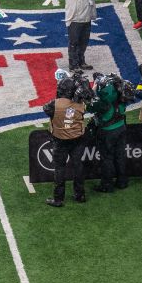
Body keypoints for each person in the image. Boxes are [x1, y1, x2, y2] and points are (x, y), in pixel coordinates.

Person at [41, 71, 88, 207]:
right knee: (78, 166)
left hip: (60, 140)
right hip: (77, 139)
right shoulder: (81, 104)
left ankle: (58, 199)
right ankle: (80, 195)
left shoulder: (54, 104)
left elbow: (46, 109)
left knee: (59, 169)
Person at [89, 74, 128, 192]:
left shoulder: (101, 101)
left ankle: (107, 185)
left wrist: (93, 90)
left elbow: (88, 107)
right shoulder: (121, 94)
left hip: (107, 133)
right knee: (120, 156)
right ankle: (122, 182)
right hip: (121, 128)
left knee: (107, 159)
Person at [63, 0, 98, 71]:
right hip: (75, 18)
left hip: (87, 16)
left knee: (84, 42)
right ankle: (73, 65)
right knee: (74, 42)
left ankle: (81, 61)